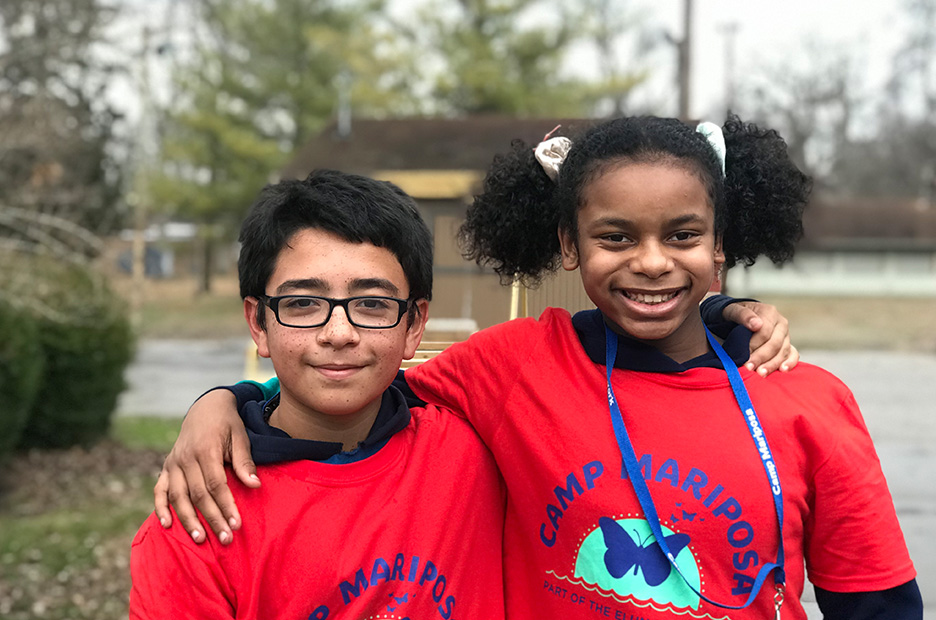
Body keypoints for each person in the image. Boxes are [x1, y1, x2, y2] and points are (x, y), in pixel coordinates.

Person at [156, 115, 922, 619]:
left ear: (723, 242)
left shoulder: (808, 400)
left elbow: (877, 599)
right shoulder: (512, 366)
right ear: (568, 246)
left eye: (684, 235)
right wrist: (222, 402)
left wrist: (728, 311)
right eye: (616, 236)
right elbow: (350, 378)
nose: (652, 262)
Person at [129, 170, 507, 619]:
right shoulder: (200, 516)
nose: (339, 333)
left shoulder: (483, 442)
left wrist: (222, 398)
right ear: (258, 323)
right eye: (304, 303)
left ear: (414, 324)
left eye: (372, 303)